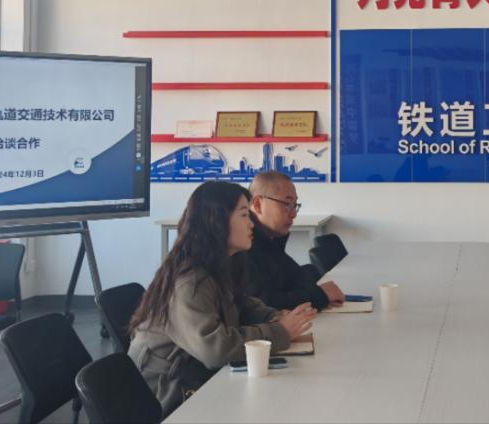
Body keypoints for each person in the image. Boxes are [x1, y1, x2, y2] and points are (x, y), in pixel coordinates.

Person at [128, 181, 317, 415]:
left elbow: (242, 303)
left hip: (198, 376)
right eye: (244, 215)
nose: (251, 224)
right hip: (168, 395)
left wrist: (275, 316)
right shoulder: (189, 281)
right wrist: (280, 332)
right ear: (216, 221)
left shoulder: (220, 264)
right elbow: (215, 349)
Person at [247, 170, 345, 310]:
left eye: (294, 205)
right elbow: (263, 303)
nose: (293, 214)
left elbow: (295, 278)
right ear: (257, 205)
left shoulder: (272, 241)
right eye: (287, 204)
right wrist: (320, 295)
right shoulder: (244, 246)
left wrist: (317, 293)